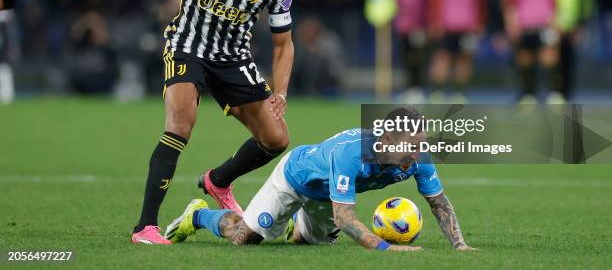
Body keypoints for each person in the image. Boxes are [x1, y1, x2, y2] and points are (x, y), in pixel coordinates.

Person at [58, 0, 295, 244]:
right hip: (188, 46)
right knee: (181, 125)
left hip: (233, 58)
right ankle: (145, 228)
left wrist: (281, 92)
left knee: (277, 139)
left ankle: (218, 180)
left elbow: (283, 44)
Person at [165, 107, 475, 251]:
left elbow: (439, 203)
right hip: (294, 178)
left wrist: (459, 245)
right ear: (389, 138)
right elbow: (344, 216)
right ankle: (199, 215)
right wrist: (385, 248)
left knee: (304, 243)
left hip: (325, 196)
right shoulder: (352, 154)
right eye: (412, 144)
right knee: (244, 238)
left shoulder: (417, 158)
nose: (418, 153)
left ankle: (289, 225)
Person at [502, 0, 560, 103]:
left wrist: (556, 19)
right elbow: (510, 0)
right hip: (524, 22)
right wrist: (511, 21)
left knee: (549, 56)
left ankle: (554, 93)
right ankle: (528, 94)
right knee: (525, 58)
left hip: (546, 22)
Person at [428, 0, 486, 103]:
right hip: (446, 27)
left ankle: (459, 94)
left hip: (468, 27)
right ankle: (437, 93)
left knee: (464, 60)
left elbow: (480, 2)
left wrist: (480, 23)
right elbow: (434, 1)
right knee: (441, 59)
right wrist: (435, 22)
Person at [552, 0, 596, 99]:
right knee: (551, 59)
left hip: (571, 27)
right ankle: (554, 91)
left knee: (567, 59)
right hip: (553, 26)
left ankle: (565, 92)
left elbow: (586, 3)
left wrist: (581, 24)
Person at [391, 0, 431, 103]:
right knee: (406, 58)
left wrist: (427, 23)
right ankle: (409, 89)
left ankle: (419, 88)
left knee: (418, 58)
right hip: (402, 25)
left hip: (420, 25)